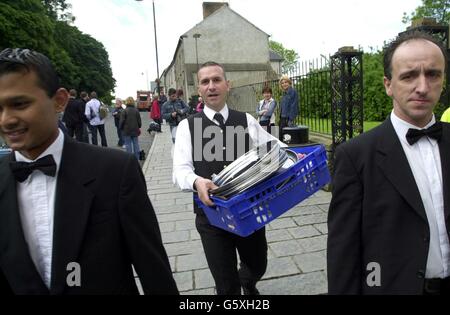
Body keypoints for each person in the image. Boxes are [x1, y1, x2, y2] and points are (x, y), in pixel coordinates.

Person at [0, 48, 178, 295]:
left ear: (59, 100)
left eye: (19, 104)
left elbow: (153, 269)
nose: (6, 120)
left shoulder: (116, 170)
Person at [327, 31, 450, 295]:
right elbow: (343, 250)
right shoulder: (355, 155)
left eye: (433, 74)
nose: (422, 87)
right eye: (408, 76)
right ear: (388, 84)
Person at [173, 61, 284, 295]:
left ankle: (247, 281)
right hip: (211, 216)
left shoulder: (246, 120)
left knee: (258, 266)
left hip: (249, 212)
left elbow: (275, 148)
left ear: (227, 85)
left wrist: (297, 154)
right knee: (225, 285)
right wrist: (196, 181)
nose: (211, 86)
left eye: (216, 80)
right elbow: (180, 170)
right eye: (205, 81)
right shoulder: (187, 126)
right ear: (198, 89)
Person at [279, 76, 299, 141]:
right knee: (281, 137)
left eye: (286, 82)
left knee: (288, 139)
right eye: (282, 83)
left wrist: (290, 119)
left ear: (289, 83)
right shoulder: (284, 93)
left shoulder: (293, 92)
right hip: (282, 118)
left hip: (288, 119)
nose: (284, 84)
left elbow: (294, 106)